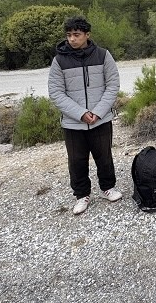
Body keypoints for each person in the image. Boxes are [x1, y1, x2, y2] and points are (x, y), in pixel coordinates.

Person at [48, 16, 122, 215]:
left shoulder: (103, 55)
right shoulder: (59, 60)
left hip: (101, 119)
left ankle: (108, 187)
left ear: (87, 35)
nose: (72, 39)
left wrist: (97, 112)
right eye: (69, 35)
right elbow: (56, 92)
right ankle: (82, 195)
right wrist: (81, 114)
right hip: (73, 124)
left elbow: (113, 85)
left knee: (104, 156)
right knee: (77, 160)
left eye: (76, 35)